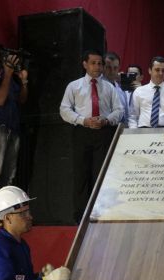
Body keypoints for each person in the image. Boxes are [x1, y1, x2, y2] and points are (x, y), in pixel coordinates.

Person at [59, 49, 124, 222]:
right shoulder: (74, 86)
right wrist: (83, 120)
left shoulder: (109, 87)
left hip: (103, 133)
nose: (97, 66)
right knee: (81, 174)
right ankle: (80, 216)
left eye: (100, 63)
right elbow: (64, 109)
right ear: (85, 64)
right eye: (93, 63)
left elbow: (119, 110)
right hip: (82, 132)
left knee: (100, 174)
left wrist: (107, 120)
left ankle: (99, 213)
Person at [0, 38, 28, 218]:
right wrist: (8, 74)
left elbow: (21, 99)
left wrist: (23, 81)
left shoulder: (4, 75)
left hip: (13, 128)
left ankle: (2, 214)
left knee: (9, 175)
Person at [128, 56, 164, 128]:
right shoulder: (139, 91)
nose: (160, 73)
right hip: (143, 131)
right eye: (157, 70)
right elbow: (133, 117)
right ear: (150, 70)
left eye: (163, 70)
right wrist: (134, 134)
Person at [104, 51, 129, 126]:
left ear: (119, 68)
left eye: (115, 67)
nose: (112, 71)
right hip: (106, 129)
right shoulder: (98, 87)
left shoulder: (120, 89)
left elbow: (126, 112)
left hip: (122, 129)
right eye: (108, 67)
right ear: (103, 67)